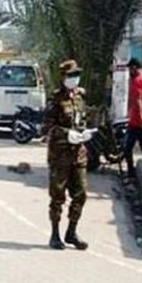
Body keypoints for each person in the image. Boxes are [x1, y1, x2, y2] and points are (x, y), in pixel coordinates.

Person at [44, 60, 91, 251]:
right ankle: (55, 234)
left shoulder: (80, 97)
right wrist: (66, 134)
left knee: (80, 195)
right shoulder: (55, 100)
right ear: (63, 77)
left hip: (78, 154)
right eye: (70, 76)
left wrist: (84, 133)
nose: (74, 79)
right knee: (57, 196)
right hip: (60, 155)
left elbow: (82, 120)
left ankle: (71, 232)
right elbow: (48, 127)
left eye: (76, 75)